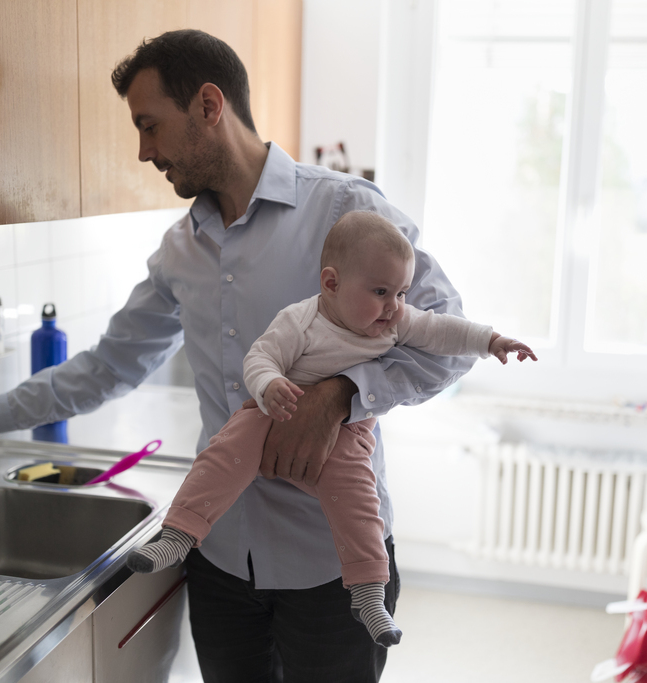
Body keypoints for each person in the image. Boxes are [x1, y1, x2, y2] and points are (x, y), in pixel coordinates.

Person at [0, 29, 483, 682]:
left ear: (210, 106)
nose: (144, 151)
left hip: (332, 570)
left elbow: (449, 342)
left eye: (150, 126)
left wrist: (342, 392)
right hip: (222, 567)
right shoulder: (180, 252)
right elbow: (105, 367)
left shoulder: (344, 211)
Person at [127, 210, 538, 649]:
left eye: (400, 292)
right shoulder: (300, 320)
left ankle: (367, 591)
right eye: (381, 292)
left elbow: (440, 330)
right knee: (225, 451)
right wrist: (270, 384)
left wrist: (490, 340)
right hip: (276, 407)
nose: (395, 306)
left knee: (361, 502)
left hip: (348, 433)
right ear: (331, 284)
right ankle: (179, 534)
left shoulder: (396, 322)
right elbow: (259, 358)